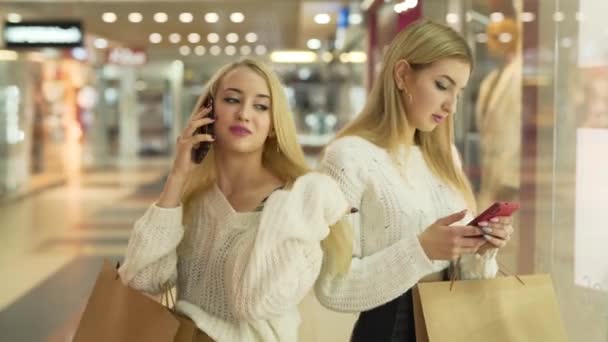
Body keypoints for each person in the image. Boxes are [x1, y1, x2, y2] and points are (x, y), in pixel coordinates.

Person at [118, 59, 352, 341]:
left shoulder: (293, 207)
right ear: (209, 110)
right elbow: (143, 278)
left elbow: (254, 302)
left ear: (273, 125)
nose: (243, 114)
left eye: (261, 106)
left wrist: (304, 205)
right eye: (232, 100)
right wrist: (177, 178)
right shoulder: (195, 199)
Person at [314, 20, 515, 341]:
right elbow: (332, 286)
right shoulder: (348, 158)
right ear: (403, 74)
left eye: (459, 92)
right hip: (391, 328)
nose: (451, 105)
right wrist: (421, 249)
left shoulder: (446, 155)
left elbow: (467, 277)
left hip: (450, 320)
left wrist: (481, 247)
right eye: (442, 85)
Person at [476, 17, 522, 209]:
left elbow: (517, 126)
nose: (489, 42)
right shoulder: (493, 79)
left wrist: (509, 178)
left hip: (508, 172)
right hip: (491, 167)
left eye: (496, 36)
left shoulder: (517, 76)